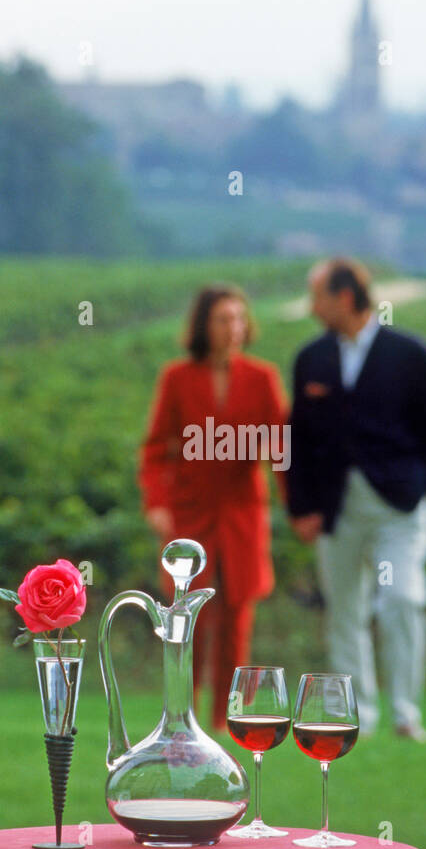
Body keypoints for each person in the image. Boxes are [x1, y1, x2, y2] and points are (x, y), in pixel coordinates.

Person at [286, 258, 426, 741]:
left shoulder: (411, 354)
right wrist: (302, 507)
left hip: (398, 510)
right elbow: (296, 440)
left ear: (344, 297)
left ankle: (405, 712)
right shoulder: (311, 358)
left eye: (317, 296)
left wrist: (417, 489)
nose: (311, 307)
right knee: (344, 612)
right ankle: (357, 715)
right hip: (336, 509)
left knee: (401, 598)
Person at [139, 285, 289, 732]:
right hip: (190, 514)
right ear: (204, 325)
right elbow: (155, 450)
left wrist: (299, 505)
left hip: (242, 514)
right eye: (224, 319)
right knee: (188, 620)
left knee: (237, 617)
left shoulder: (262, 378)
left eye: (239, 318)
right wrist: (157, 504)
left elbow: (282, 450)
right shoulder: (177, 378)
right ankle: (182, 721)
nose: (233, 328)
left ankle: (225, 723)